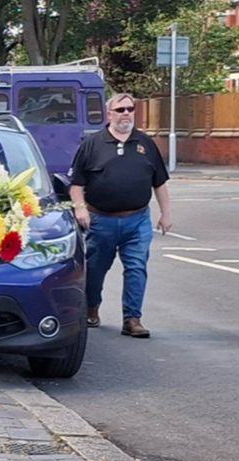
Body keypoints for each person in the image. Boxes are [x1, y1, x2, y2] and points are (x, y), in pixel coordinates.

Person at [69, 93, 173, 338]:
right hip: (101, 220)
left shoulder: (145, 144)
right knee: (95, 269)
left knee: (137, 267)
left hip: (136, 220)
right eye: (120, 109)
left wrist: (166, 213)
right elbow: (76, 183)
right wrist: (80, 207)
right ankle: (91, 308)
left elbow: (160, 183)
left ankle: (132, 319)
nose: (126, 113)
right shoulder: (93, 144)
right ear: (109, 114)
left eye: (130, 109)